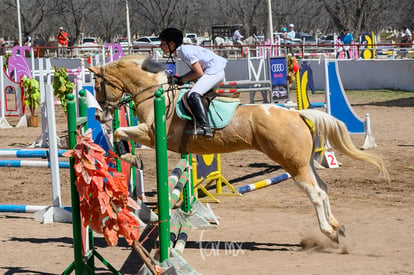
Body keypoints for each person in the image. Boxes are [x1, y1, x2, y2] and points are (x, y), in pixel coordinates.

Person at [159, 27, 228, 138]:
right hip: (214, 71)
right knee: (200, 94)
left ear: (171, 44)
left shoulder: (185, 51)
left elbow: (198, 72)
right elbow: (196, 72)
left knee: (193, 94)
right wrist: (181, 79)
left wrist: (181, 79)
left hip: (213, 71)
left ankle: (205, 127)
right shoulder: (183, 51)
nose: (160, 46)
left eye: (162, 43)